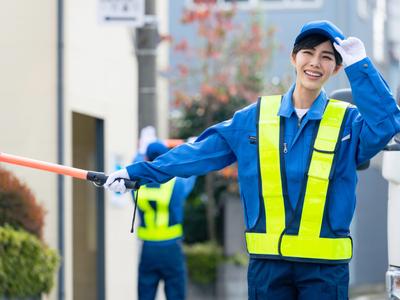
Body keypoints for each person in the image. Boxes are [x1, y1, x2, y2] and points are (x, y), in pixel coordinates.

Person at [105, 20, 400, 299]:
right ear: (293, 57)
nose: (314, 63)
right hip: (268, 270)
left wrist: (359, 66)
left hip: (325, 273)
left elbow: (388, 122)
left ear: (336, 68)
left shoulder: (349, 123)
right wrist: (138, 173)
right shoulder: (254, 119)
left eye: (326, 57)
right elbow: (197, 154)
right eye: (308, 53)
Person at [130, 141, 196, 300]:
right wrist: (192, 147)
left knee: (145, 294)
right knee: (176, 294)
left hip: (148, 249)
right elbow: (192, 172)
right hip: (171, 248)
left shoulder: (137, 186)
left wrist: (140, 152)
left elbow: (134, 166)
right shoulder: (176, 184)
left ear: (147, 157)